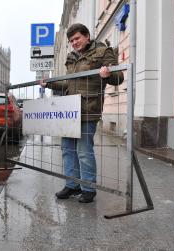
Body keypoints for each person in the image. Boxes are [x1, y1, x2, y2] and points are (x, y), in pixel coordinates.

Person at [40, 23, 123, 203]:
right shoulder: (71, 57)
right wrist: (50, 83)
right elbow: (69, 84)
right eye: (71, 40)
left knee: (84, 151)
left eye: (77, 38)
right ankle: (72, 185)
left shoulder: (103, 52)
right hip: (70, 110)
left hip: (88, 109)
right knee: (67, 149)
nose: (74, 42)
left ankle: (88, 188)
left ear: (86, 36)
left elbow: (119, 78)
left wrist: (106, 74)